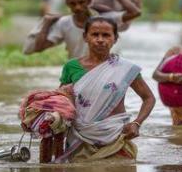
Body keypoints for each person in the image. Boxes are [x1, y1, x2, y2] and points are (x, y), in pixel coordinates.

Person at [56, 17, 155, 162]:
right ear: (85, 37)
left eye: (106, 35)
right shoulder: (71, 67)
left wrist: (136, 123)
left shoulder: (125, 68)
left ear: (115, 38)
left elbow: (149, 98)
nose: (100, 39)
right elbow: (61, 99)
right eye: (95, 34)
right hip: (80, 138)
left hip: (115, 137)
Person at [25, 0, 141, 59]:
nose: (78, 7)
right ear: (67, 5)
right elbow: (39, 47)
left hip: (106, 67)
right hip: (79, 69)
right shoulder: (64, 23)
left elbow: (135, 12)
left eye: (81, 2)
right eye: (73, 4)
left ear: (89, 1)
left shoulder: (105, 19)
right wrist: (46, 23)